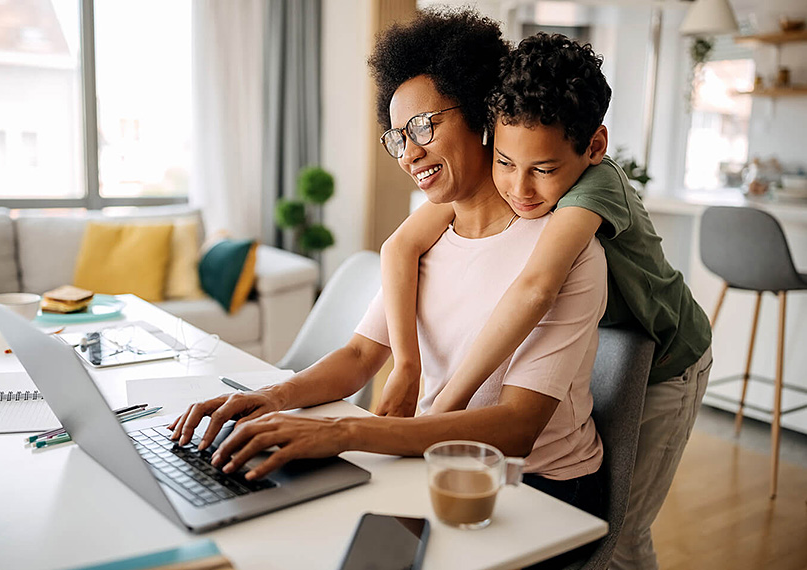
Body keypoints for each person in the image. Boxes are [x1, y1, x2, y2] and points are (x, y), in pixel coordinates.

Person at [169, 9, 608, 519]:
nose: (408, 154)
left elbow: (517, 426)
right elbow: (359, 356)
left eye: (422, 127)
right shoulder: (427, 240)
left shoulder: (567, 250)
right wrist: (271, 397)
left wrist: (348, 430)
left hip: (540, 491)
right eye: (399, 137)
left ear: (482, 115)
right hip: (437, 461)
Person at [376, 32, 713, 570]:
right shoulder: (499, 181)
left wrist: (445, 403)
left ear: (594, 148)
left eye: (544, 170)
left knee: (625, 535)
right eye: (506, 162)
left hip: (671, 362)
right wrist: (407, 367)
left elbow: (535, 287)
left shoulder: (595, 190)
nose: (519, 189)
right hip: (607, 339)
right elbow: (399, 245)